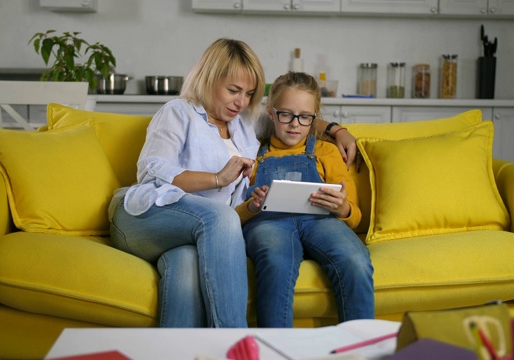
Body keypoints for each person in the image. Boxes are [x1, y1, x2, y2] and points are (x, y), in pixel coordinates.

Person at [109, 38, 360, 328]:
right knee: (222, 217)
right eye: (233, 90)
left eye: (249, 94)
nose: (241, 101)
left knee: (186, 270)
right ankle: (235, 341)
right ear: (209, 78)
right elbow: (152, 171)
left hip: (194, 234)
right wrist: (217, 179)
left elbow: (292, 115)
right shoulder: (178, 112)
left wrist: (336, 130)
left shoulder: (244, 125)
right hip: (143, 214)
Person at [236, 71, 375, 327]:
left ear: (314, 118)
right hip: (268, 223)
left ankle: (360, 348)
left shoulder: (326, 151)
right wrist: (252, 206)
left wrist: (342, 207)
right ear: (271, 112)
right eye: (285, 114)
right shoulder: (252, 151)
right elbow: (234, 215)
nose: (294, 124)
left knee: (355, 260)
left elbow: (355, 217)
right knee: (276, 262)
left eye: (304, 117)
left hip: (320, 221)